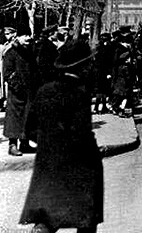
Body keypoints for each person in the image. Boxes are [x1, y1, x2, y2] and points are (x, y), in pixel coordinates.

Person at [19, 41, 103, 233]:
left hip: (48, 163)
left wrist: (49, 143)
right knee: (86, 216)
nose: (91, 67)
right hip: (79, 166)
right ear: (82, 67)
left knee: (49, 212)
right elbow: (81, 134)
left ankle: (41, 229)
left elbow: (30, 128)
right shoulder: (79, 94)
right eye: (88, 63)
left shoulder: (44, 90)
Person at [3, 28, 38, 156]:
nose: (28, 38)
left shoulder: (30, 52)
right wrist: (18, 87)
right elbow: (7, 74)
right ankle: (12, 145)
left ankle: (25, 143)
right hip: (17, 93)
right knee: (14, 119)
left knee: (27, 118)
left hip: (29, 92)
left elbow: (35, 70)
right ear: (18, 36)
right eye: (25, 35)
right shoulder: (11, 53)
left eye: (29, 35)